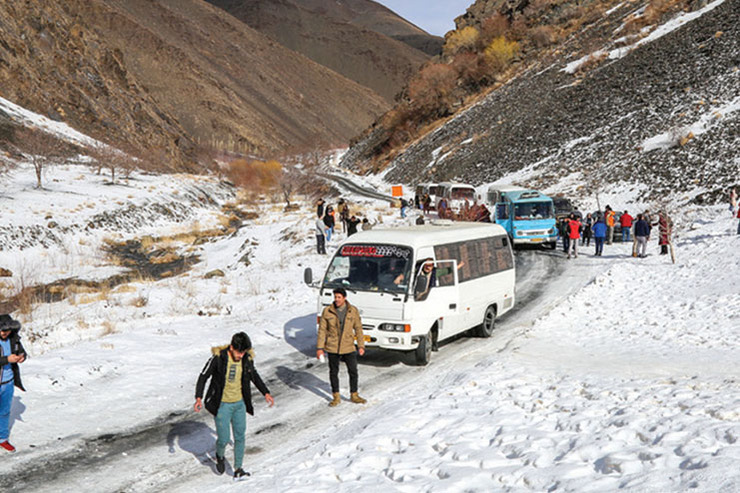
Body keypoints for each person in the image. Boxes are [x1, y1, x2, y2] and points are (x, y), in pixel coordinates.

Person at [195, 332, 274, 480]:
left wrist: (266, 392)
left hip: (239, 404)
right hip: (222, 405)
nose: (241, 355)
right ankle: (219, 455)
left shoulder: (246, 359)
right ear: (231, 348)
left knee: (240, 437)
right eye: (239, 352)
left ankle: (239, 468)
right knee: (224, 439)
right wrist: (198, 397)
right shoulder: (218, 358)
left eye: (243, 352)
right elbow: (203, 376)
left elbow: (254, 376)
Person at [316, 288, 366, 407]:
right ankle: (336, 396)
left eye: (339, 297)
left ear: (344, 298)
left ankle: (354, 395)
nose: (336, 300)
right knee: (334, 372)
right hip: (333, 346)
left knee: (353, 371)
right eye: (335, 297)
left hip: (348, 346)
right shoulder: (327, 311)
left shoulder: (352, 311)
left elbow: (358, 329)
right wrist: (319, 348)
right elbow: (322, 330)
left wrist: (361, 345)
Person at [0, 314, 26, 453]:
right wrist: (6, 360)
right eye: (3, 330)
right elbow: (6, 359)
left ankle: (2, 439)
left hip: (8, 383)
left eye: (8, 330)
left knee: (4, 412)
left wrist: (22, 357)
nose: (5, 333)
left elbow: (22, 351)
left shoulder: (14, 339)